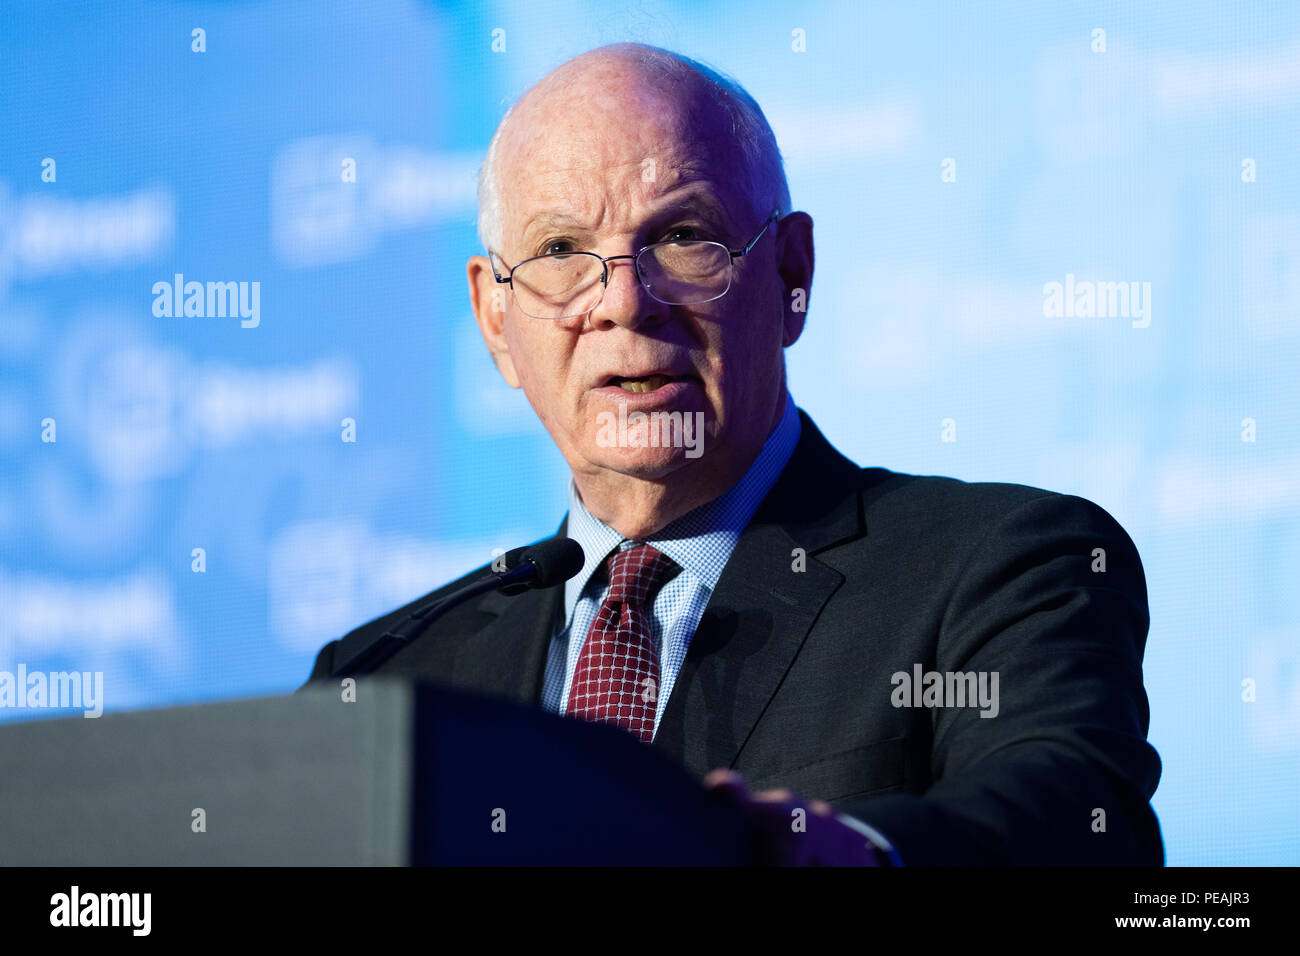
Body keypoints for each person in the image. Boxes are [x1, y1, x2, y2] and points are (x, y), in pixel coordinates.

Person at [306, 42, 1163, 866]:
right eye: (562, 251)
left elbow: (1079, 818)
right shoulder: (383, 677)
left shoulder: (1002, 565)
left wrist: (843, 858)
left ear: (792, 273)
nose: (625, 304)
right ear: (495, 319)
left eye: (683, 236)